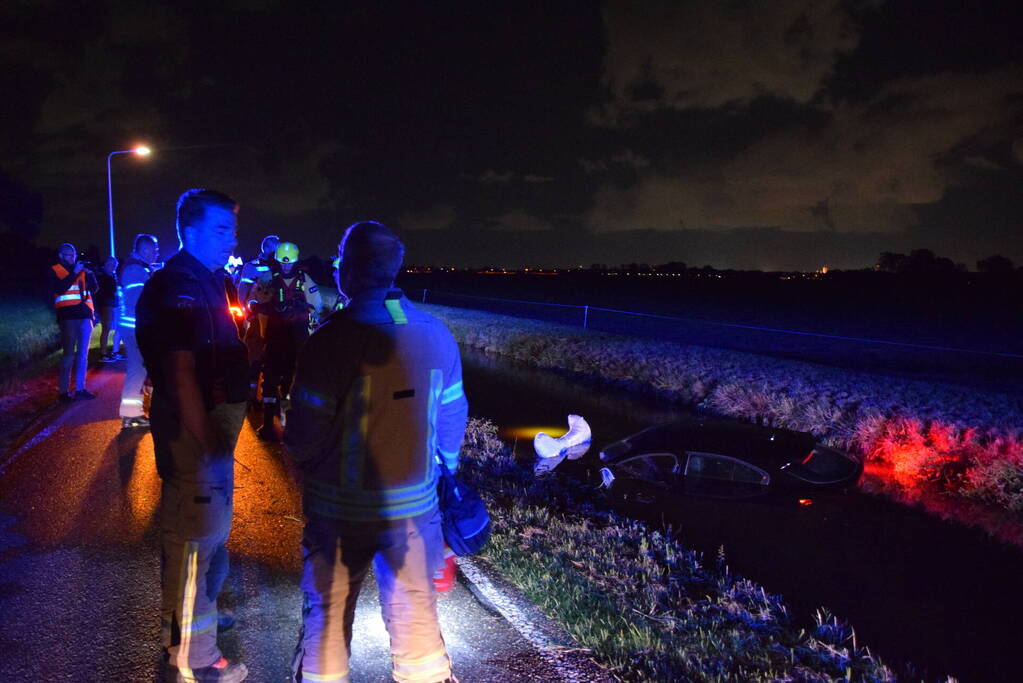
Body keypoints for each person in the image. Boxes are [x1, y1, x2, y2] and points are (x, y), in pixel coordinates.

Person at [284, 221, 467, 683]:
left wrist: (307, 465)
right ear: (394, 269)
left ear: (346, 269)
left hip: (337, 515)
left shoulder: (328, 341)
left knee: (326, 624)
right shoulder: (436, 334)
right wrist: (445, 475)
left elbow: (304, 435)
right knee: (418, 628)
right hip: (414, 513)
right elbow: (451, 425)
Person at [136, 189, 249, 683]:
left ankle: (183, 623)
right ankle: (194, 656)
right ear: (191, 229)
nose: (232, 240)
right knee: (194, 539)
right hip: (196, 429)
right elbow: (181, 367)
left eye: (233, 230)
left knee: (207, 533)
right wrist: (205, 438)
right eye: (222, 229)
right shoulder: (180, 284)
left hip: (208, 425)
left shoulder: (205, 280)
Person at [251, 241, 324, 441]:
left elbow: (317, 305)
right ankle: (267, 424)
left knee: (293, 382)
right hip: (275, 337)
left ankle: (290, 426)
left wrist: (301, 311)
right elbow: (253, 299)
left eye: (288, 262)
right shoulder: (267, 278)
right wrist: (260, 305)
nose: (284, 266)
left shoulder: (305, 280)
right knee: (270, 380)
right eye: (281, 262)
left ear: (295, 262)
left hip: (297, 339)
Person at [118, 233, 160, 429]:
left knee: (139, 368)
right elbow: (139, 302)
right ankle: (130, 415)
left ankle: (133, 413)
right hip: (136, 327)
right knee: (137, 368)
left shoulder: (137, 268)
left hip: (134, 326)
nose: (156, 252)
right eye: (154, 249)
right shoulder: (136, 269)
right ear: (144, 249)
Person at [49, 242, 99, 401]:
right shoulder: (55, 270)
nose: (72, 258)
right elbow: (59, 288)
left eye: (74, 255)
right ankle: (63, 393)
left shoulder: (82, 271)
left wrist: (90, 274)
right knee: (69, 355)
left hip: (85, 315)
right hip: (68, 317)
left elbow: (94, 289)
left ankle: (80, 388)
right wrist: (74, 273)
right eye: (68, 255)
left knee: (83, 355)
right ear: (61, 256)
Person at [238, 234, 280, 400]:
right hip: (256, 315)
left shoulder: (278, 266)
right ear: (267, 248)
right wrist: (246, 311)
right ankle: (250, 394)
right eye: (275, 248)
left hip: (274, 316)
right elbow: (243, 289)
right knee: (253, 353)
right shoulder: (252, 266)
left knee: (272, 354)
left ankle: (269, 394)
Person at [96, 256, 123, 362]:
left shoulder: (112, 275)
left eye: (115, 265)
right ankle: (103, 354)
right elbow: (102, 292)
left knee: (115, 328)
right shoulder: (102, 276)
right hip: (106, 305)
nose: (113, 267)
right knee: (106, 329)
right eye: (112, 265)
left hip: (113, 304)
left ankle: (112, 353)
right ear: (106, 264)